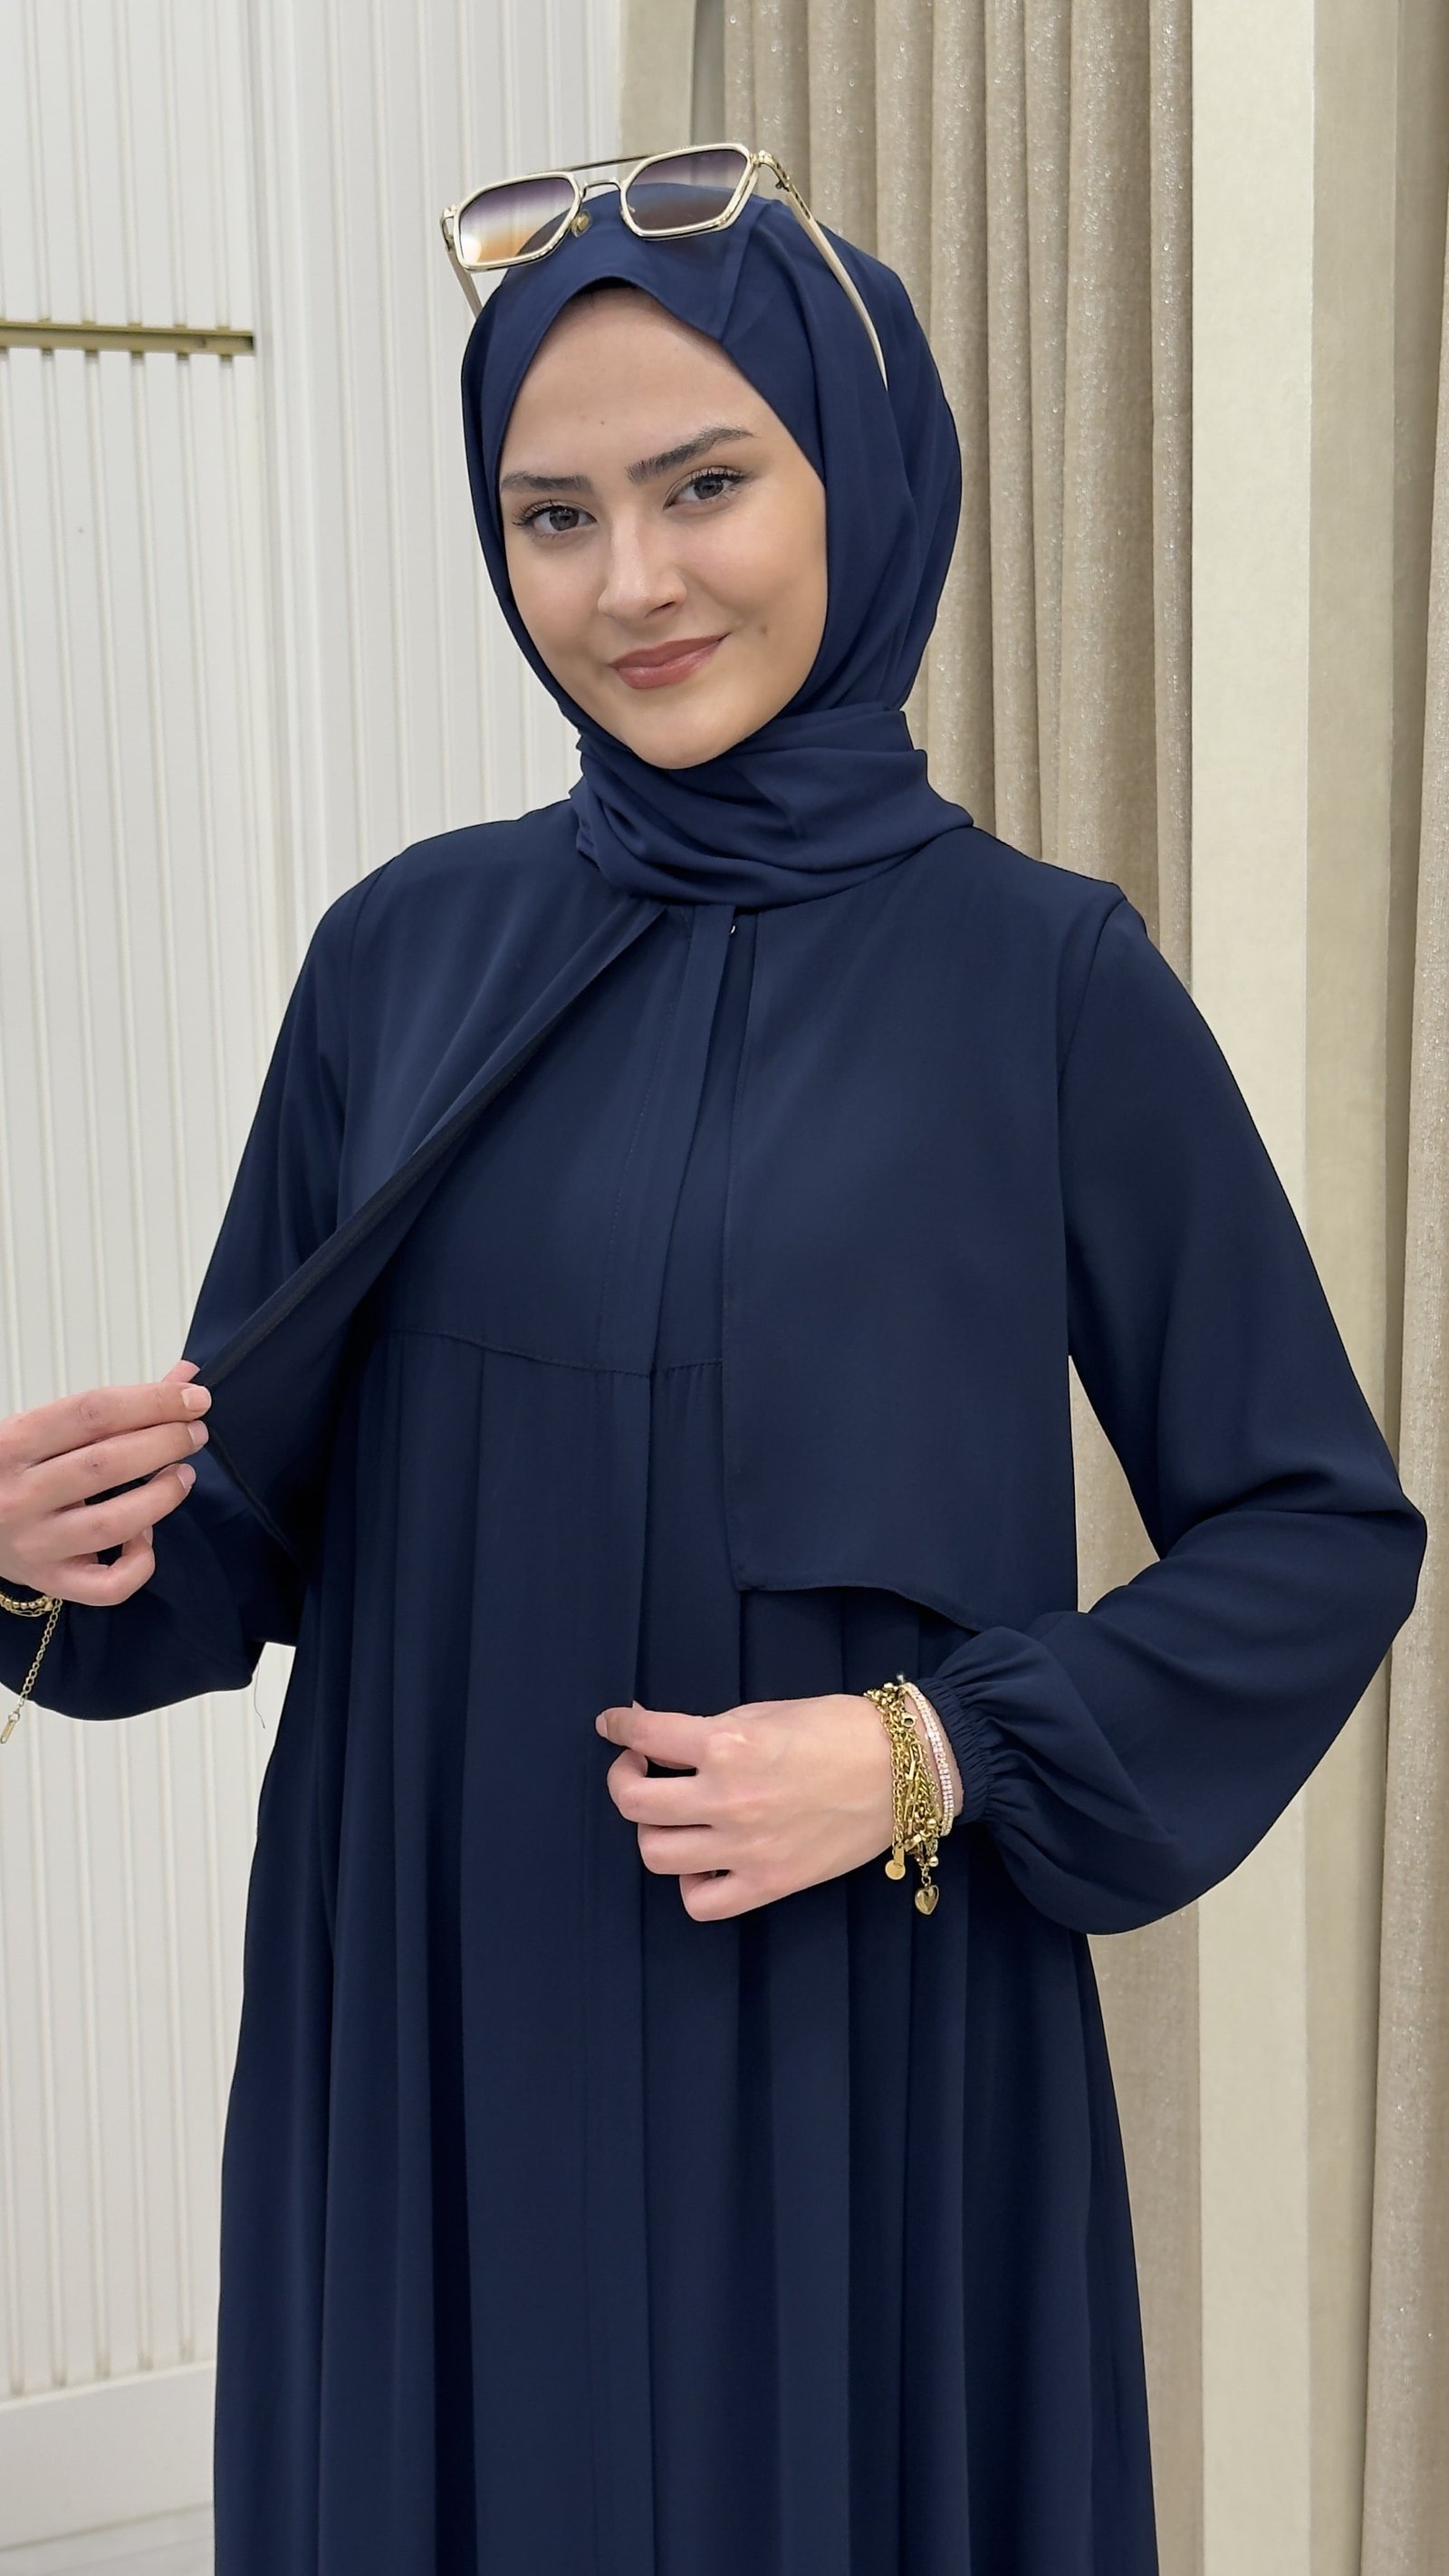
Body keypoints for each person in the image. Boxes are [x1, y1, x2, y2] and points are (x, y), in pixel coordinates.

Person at [0, 174, 1426, 2576]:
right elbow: (243, 1535)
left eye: (704, 484)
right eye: (552, 514)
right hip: (442, 2017)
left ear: (859, 479)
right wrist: (50, 1546)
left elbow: (1315, 1525)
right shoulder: (400, 957)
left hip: (847, 2040)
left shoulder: (1046, 982)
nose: (630, 583)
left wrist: (929, 1750)